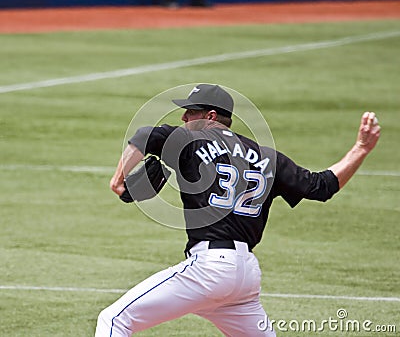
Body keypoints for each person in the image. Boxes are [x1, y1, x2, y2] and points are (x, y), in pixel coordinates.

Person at [95, 84, 380, 336]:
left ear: (210, 117)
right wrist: (360, 149)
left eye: (190, 112)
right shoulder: (268, 158)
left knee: (114, 320)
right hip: (244, 278)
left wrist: (118, 180)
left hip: (210, 269)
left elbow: (146, 135)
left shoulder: (190, 139)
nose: (183, 118)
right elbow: (322, 186)